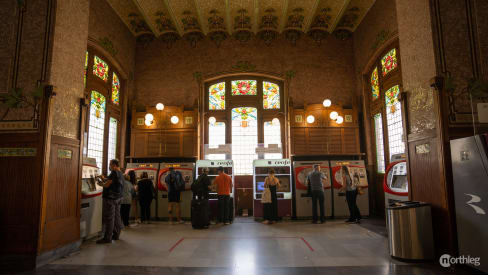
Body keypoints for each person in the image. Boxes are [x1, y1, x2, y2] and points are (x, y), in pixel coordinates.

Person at [97, 159, 124, 244]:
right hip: (118, 198)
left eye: (110, 164)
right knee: (117, 217)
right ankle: (116, 235)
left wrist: (99, 183)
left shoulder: (114, 172)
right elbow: (112, 182)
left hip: (111, 199)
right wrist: (104, 178)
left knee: (109, 218)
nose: (109, 166)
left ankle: (107, 238)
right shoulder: (121, 173)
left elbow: (107, 185)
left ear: (114, 165)